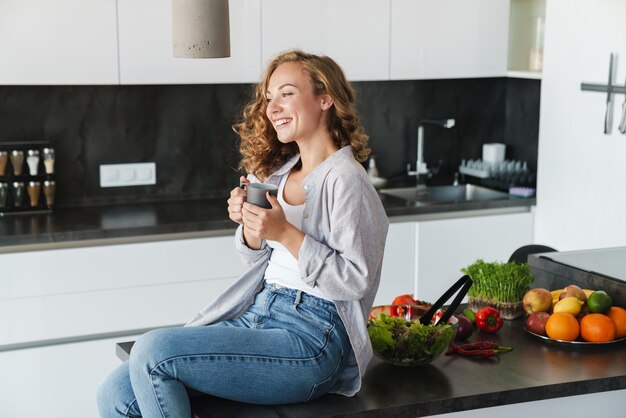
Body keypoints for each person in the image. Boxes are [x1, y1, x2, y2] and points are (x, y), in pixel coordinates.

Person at [97, 49, 389, 418]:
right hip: (259, 314)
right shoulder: (281, 172)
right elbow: (259, 260)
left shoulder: (347, 179)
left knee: (153, 352)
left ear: (325, 98)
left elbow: (356, 280)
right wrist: (252, 229)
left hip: (312, 338)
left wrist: (284, 232)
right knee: (116, 393)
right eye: (269, 98)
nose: (272, 107)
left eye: (286, 93)